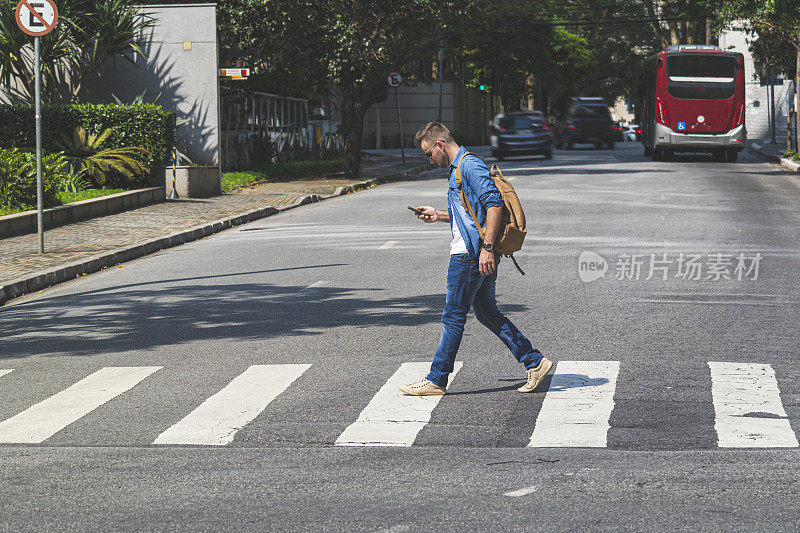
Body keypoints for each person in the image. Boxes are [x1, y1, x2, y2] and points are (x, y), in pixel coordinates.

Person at [399, 121, 553, 396]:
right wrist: (438, 215)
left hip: (470, 255)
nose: (429, 159)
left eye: (429, 153)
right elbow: (472, 212)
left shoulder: (469, 165)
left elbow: (493, 204)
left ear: (440, 145)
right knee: (487, 313)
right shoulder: (458, 168)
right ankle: (534, 361)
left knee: (453, 317)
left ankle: (437, 378)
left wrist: (487, 248)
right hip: (476, 251)